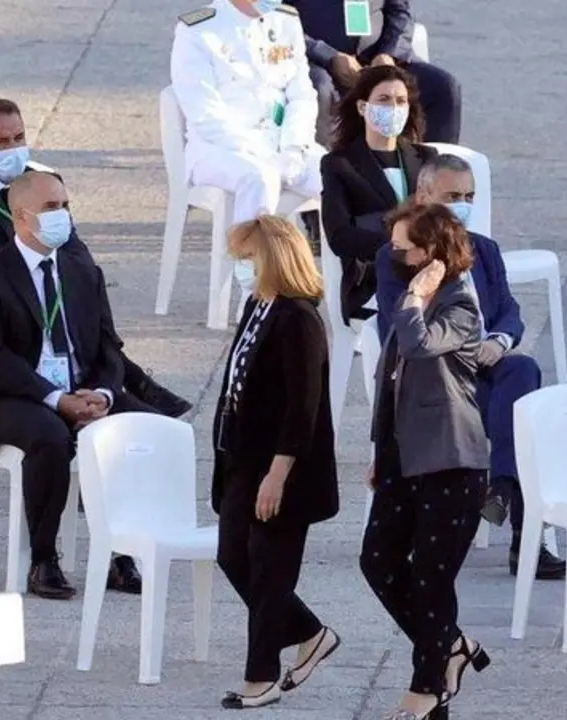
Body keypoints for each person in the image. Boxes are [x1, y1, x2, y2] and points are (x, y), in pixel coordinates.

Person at [0, 172, 143, 599]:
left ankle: (120, 552)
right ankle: (44, 559)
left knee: (141, 427)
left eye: (66, 206)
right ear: (21, 217)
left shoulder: (83, 271)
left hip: (80, 389)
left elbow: (109, 346)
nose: (63, 216)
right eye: (52, 209)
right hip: (5, 394)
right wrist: (56, 399)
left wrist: (103, 394)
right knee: (49, 436)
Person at [372, 154, 566, 580]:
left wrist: (498, 342)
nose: (462, 205)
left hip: (486, 366)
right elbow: (399, 324)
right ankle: (522, 529)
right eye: (452, 196)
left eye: (469, 196)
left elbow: (510, 311)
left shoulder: (484, 249)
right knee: (520, 419)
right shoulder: (397, 256)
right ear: (423, 196)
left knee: (523, 372)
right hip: (437, 376)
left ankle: (501, 488)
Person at [0, 98, 191, 417]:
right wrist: (33, 258)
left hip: (43, 284)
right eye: (1, 142)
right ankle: (133, 380)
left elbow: (76, 253)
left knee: (86, 303)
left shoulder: (41, 185)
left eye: (19, 138)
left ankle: (105, 389)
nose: (13, 148)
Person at [361, 202, 492, 720]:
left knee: (431, 579)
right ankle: (452, 648)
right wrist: (379, 449)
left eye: (403, 250)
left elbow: (416, 347)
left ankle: (426, 689)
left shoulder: (458, 305)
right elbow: (389, 379)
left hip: (449, 460)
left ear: (432, 255)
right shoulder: (416, 299)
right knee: (378, 561)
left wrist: (416, 294)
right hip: (402, 458)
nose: (394, 257)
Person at [212, 216, 340, 710]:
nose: (241, 270)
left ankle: (259, 677)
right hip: (242, 459)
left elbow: (301, 408)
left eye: (247, 260)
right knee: (234, 556)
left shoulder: (299, 319)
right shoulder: (257, 306)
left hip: (285, 468)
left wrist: (278, 473)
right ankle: (310, 633)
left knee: (269, 570)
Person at [170, 1, 324, 230]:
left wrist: (293, 147)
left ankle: (353, 265)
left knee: (336, 173)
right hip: (219, 148)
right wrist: (264, 154)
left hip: (285, 144)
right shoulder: (198, 29)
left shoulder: (286, 20)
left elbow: (302, 96)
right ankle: (247, 265)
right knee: (260, 178)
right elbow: (205, 112)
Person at [321, 65, 436, 323]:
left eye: (400, 101)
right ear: (363, 107)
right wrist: (399, 249)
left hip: (429, 275)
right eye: (384, 100)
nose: (393, 108)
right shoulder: (339, 165)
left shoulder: (426, 158)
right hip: (372, 282)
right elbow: (339, 236)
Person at [286, 0, 463, 145]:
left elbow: (401, 12)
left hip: (380, 58)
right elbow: (275, 18)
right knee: (319, 89)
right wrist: (328, 56)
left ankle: (436, 176)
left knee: (443, 87)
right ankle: (320, 176)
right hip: (318, 61)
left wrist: (389, 53)